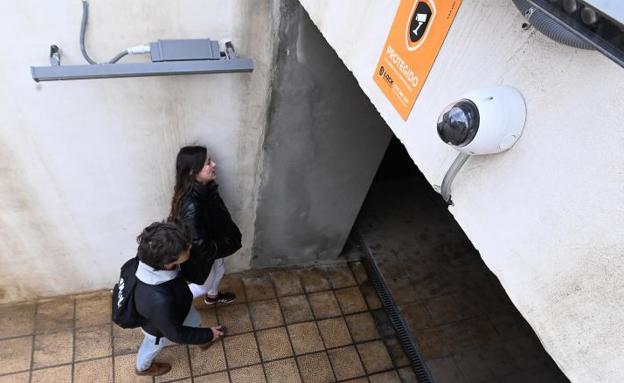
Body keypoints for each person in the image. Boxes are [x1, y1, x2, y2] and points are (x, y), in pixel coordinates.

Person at [134, 220, 225, 376]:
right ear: (167, 262)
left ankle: (202, 340)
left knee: (194, 320)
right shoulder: (158, 300)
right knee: (153, 345)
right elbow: (174, 334)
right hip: (157, 329)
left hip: (178, 307)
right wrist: (208, 333)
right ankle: (143, 367)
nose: (189, 246)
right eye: (185, 247)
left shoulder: (149, 258)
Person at [169, 145, 242, 305]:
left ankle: (213, 296)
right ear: (192, 172)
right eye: (208, 163)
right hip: (203, 255)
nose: (214, 164)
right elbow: (199, 245)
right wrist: (227, 244)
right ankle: (170, 305)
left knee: (220, 270)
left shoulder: (205, 188)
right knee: (203, 286)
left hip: (214, 244)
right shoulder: (191, 204)